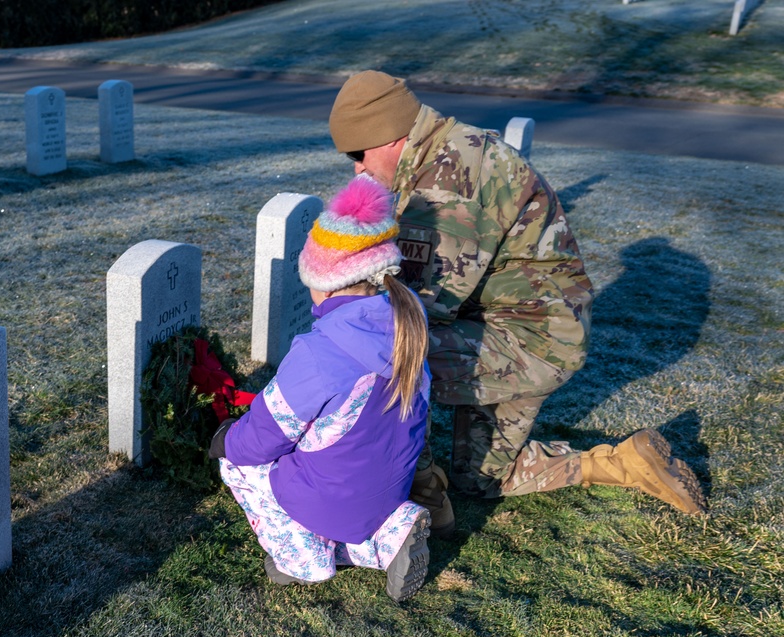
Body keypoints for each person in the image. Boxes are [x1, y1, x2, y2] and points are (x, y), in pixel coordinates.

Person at [326, 70, 707, 538]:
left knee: (385, 354)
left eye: (357, 155)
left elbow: (414, 312)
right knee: (482, 480)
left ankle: (420, 491)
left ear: (387, 137)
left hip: (526, 343)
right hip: (522, 329)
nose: (356, 171)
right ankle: (623, 464)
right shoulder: (449, 150)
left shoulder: (447, 188)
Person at [208, 175, 433, 602]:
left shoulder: (320, 352)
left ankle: (303, 560)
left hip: (329, 498)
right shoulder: (409, 321)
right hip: (387, 491)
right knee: (342, 461)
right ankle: (391, 534)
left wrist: (225, 439)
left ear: (323, 279)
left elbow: (261, 439)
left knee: (238, 464)